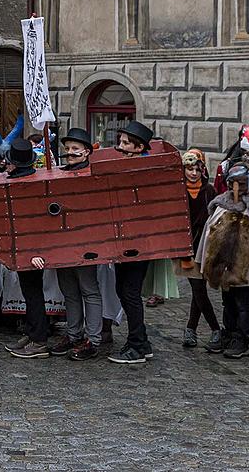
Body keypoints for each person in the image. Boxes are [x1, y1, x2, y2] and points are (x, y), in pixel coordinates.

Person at [24, 129, 103, 361]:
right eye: (67, 149)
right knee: (68, 290)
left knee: (88, 289)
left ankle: (93, 339)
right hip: (60, 241)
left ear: (86, 151)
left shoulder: (91, 174)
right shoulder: (58, 173)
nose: (70, 153)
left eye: (74, 149)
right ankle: (74, 333)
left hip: (86, 240)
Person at [108, 120, 155, 364]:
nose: (120, 147)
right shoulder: (125, 165)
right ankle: (142, 341)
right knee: (122, 290)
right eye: (120, 142)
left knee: (130, 292)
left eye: (126, 143)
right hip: (122, 240)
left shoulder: (143, 170)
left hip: (138, 242)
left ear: (139, 148)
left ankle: (137, 346)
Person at [0, 138, 50, 358]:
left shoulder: (27, 185)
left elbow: (36, 221)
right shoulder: (22, 179)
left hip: (31, 248)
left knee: (34, 293)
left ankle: (39, 339)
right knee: (29, 292)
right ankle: (32, 333)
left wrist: (36, 251)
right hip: (23, 246)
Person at [198, 164, 249, 358]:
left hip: (246, 268)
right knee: (227, 300)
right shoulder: (221, 205)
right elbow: (210, 232)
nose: (237, 187)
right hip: (224, 264)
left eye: (241, 182)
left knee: (242, 301)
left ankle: (242, 336)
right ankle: (229, 332)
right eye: (233, 182)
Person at [174, 149, 220, 349]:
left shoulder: (209, 191)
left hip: (205, 246)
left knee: (198, 289)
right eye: (189, 169)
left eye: (197, 169)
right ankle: (216, 329)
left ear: (203, 169)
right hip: (186, 246)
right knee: (198, 288)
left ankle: (191, 330)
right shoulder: (178, 190)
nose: (193, 173)